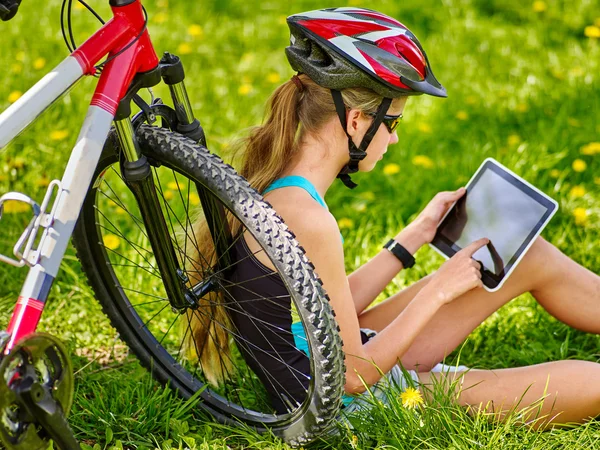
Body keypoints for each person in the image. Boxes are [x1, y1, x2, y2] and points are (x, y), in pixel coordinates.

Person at [191, 7, 600, 426]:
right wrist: (438, 289)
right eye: (393, 122)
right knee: (595, 385)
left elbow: (330, 304)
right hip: (348, 405)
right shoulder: (309, 218)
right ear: (356, 121)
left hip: (316, 354)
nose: (396, 137)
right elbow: (354, 377)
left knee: (527, 257)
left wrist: (414, 236)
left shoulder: (282, 187)